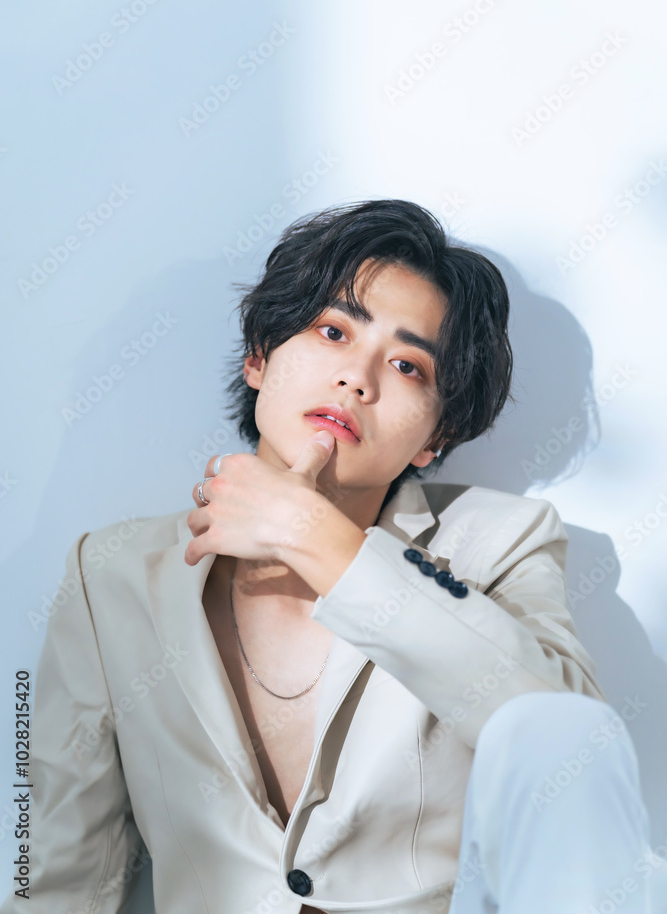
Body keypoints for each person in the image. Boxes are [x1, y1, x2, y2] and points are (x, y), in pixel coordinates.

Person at [2, 199, 664, 914]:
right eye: (332, 331)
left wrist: (316, 538)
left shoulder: (500, 542)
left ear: (433, 440)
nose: (358, 378)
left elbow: (569, 753)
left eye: (407, 365)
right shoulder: (110, 574)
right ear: (259, 358)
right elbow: (59, 873)